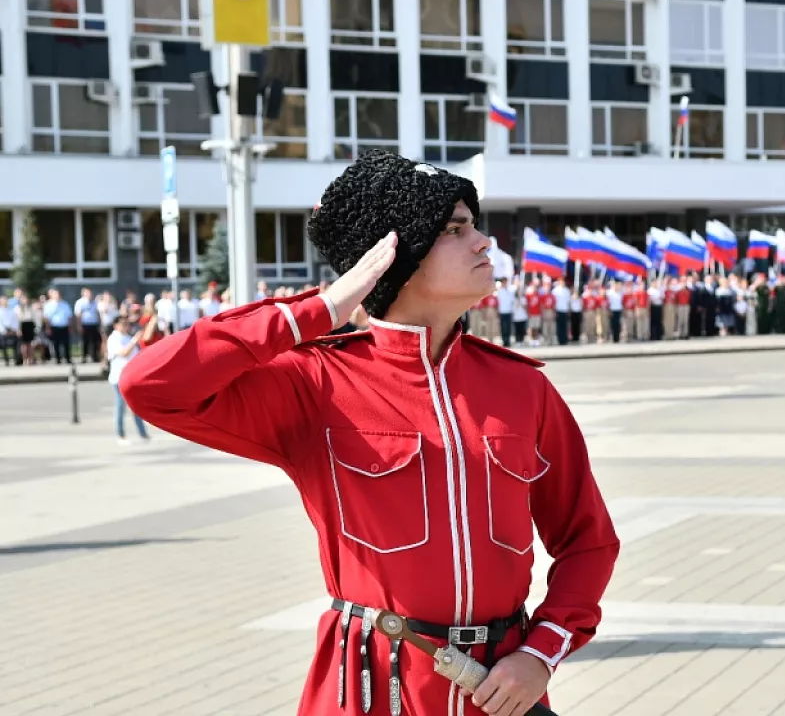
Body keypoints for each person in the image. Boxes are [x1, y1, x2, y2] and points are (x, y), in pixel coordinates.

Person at [121, 150, 620, 716]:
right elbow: (148, 383)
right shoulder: (315, 384)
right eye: (455, 229)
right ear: (391, 257)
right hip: (373, 689)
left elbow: (588, 540)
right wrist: (322, 307)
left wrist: (542, 652)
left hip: (501, 691)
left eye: (475, 226)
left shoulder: (522, 389)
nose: (484, 242)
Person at [106, 317, 150, 445]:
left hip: (130, 378)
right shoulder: (114, 338)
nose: (126, 326)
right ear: (116, 325)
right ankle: (120, 435)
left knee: (135, 406)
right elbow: (124, 353)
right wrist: (134, 340)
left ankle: (143, 434)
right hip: (118, 377)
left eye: (127, 324)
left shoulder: (126, 337)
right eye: (123, 324)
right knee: (121, 406)